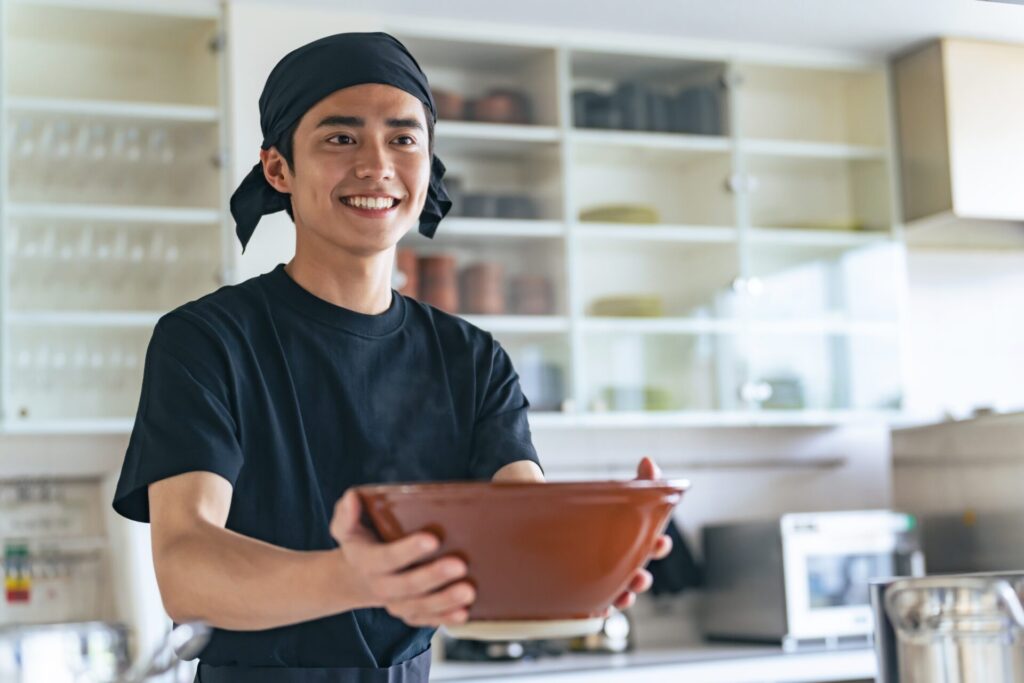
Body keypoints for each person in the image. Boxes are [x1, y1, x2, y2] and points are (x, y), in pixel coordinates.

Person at [111, 32, 671, 682]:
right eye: (341, 138)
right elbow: (187, 569)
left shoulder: (472, 359)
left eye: (403, 138)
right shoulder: (208, 342)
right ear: (278, 169)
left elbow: (522, 530)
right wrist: (355, 577)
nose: (377, 165)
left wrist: (592, 561)